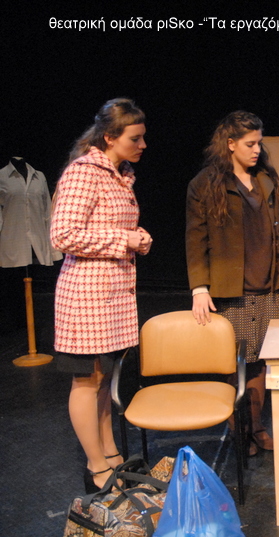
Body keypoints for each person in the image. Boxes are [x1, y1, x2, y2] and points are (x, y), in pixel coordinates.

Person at [50, 98, 152, 493]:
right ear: (110, 137)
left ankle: (110, 453)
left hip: (111, 295)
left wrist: (136, 238)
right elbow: (63, 236)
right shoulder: (84, 172)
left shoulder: (119, 174)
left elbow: (105, 227)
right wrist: (123, 239)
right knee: (86, 382)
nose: (143, 145)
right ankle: (95, 467)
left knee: (105, 380)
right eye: (135, 138)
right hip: (86, 297)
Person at [186, 111, 279, 456]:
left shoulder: (264, 179)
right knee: (234, 362)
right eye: (250, 144)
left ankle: (257, 426)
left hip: (267, 284)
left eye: (259, 143)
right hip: (231, 288)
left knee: (261, 360)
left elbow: (278, 231)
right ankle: (240, 430)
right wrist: (199, 287)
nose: (257, 149)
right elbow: (196, 239)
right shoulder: (205, 184)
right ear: (230, 144)